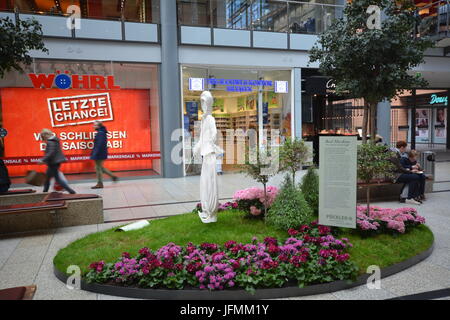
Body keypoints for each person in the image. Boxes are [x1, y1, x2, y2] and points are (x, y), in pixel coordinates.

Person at [39, 129, 76, 194]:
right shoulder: (55, 140)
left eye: (43, 136)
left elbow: (50, 152)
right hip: (55, 162)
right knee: (49, 178)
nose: (43, 138)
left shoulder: (51, 142)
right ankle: (45, 191)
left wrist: (43, 159)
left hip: (53, 163)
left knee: (54, 179)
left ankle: (70, 191)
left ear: (46, 135)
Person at [90, 121, 118, 189]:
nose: (93, 126)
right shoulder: (101, 132)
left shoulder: (100, 133)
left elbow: (99, 145)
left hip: (99, 153)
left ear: (99, 126)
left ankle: (100, 183)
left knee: (98, 168)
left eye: (95, 125)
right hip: (101, 153)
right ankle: (113, 176)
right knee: (100, 167)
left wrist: (95, 153)